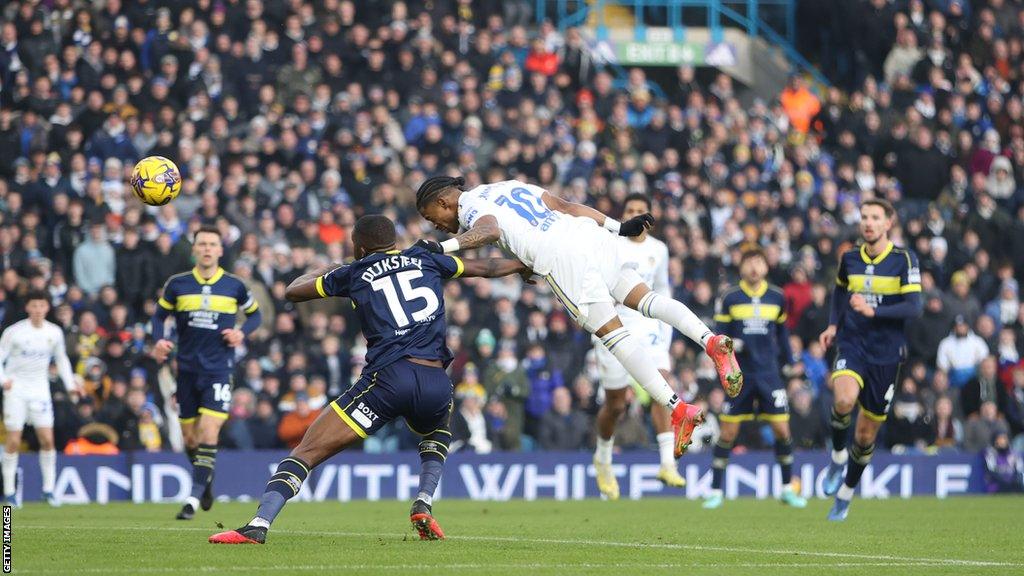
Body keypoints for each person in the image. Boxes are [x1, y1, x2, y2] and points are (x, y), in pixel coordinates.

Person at [209, 215, 527, 545]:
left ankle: (259, 524)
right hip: (435, 379)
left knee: (306, 451)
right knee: (438, 431)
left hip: (388, 380)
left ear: (359, 246)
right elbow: (488, 268)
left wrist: (326, 269)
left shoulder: (354, 271)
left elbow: (293, 292)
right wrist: (522, 266)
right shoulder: (424, 258)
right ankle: (424, 501)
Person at [415, 176, 742, 460]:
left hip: (563, 260)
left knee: (616, 337)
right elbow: (565, 205)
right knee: (647, 300)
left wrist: (442, 247)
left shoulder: (469, 208)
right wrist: (618, 226)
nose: (437, 225)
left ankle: (678, 408)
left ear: (443, 202)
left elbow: (489, 230)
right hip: (589, 236)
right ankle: (710, 340)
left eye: (433, 218)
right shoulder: (505, 187)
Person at [819, 199, 923, 521]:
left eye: (875, 217)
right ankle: (837, 457)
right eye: (864, 217)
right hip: (853, 343)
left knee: (865, 436)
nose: (868, 223)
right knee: (844, 400)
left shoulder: (904, 259)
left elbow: (914, 307)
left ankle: (846, 493)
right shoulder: (849, 258)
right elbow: (839, 292)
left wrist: (874, 311)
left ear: (888, 223)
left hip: (886, 354)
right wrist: (834, 324)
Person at [151, 225, 263, 520]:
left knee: (209, 430)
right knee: (189, 439)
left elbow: (256, 315)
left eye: (212, 244)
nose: (207, 249)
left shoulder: (234, 286)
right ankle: (206, 483)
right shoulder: (177, 284)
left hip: (218, 370)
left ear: (220, 250)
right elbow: (159, 315)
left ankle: (192, 497)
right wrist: (158, 340)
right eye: (202, 244)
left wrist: (241, 333)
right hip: (186, 370)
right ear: (195, 249)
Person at [591, 194, 685, 500]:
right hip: (613, 324)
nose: (634, 216)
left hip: (649, 328)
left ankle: (667, 463)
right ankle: (603, 458)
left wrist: (665, 329)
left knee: (662, 388)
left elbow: (663, 287)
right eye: (629, 211)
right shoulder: (610, 244)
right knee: (616, 404)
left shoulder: (659, 250)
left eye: (639, 212)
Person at [704, 248, 807, 509]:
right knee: (728, 432)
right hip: (739, 375)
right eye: (749, 262)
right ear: (741, 267)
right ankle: (715, 491)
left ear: (765, 266)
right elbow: (719, 336)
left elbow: (782, 335)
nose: (754, 267)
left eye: (759, 262)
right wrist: (731, 348)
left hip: (769, 373)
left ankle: (786, 489)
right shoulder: (730, 297)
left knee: (782, 430)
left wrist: (790, 363)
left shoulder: (777, 297)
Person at [0, 291, 81, 507]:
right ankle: (9, 493)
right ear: (28, 308)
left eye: (41, 305)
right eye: (33, 305)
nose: (37, 310)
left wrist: (71, 385)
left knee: (47, 440)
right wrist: (3, 379)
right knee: (14, 440)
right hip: (16, 389)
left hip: (39, 390)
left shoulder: (53, 332)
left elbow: (62, 360)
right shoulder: (14, 332)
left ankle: (48, 490)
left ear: (47, 308)